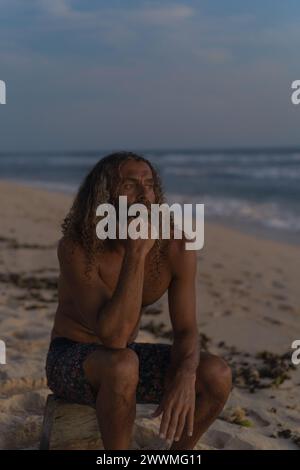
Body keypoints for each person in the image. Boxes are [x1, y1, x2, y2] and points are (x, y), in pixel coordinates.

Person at [45, 151, 232, 450]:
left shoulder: (175, 246)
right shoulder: (77, 247)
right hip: (70, 359)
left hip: (126, 359)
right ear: (105, 196)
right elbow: (114, 338)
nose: (145, 193)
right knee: (122, 364)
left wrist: (186, 374)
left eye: (149, 183)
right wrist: (136, 253)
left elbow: (186, 330)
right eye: (130, 185)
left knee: (216, 374)